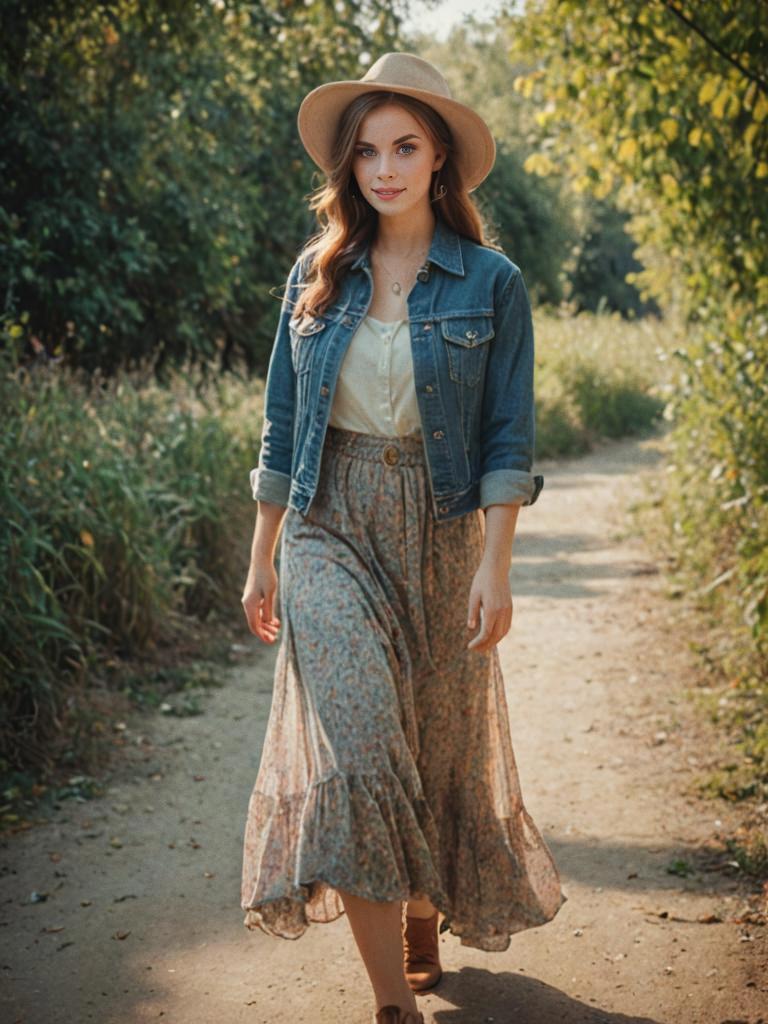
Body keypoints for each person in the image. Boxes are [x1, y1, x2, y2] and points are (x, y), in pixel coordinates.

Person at [240, 51, 567, 1024]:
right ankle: (392, 1005)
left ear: (438, 162)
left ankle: (420, 905)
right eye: (369, 150)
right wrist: (262, 556)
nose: (383, 167)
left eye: (405, 147)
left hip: (438, 532)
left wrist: (496, 566)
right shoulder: (316, 275)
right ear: (351, 165)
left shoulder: (493, 283)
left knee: (434, 753)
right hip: (327, 526)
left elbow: (509, 436)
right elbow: (279, 424)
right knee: (362, 755)